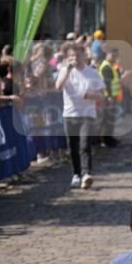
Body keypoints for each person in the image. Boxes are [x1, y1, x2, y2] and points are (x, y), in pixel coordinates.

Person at [55, 42, 104, 189]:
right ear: (67, 57)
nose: (74, 57)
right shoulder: (64, 70)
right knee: (72, 147)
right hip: (69, 114)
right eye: (71, 55)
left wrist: (90, 95)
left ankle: (86, 174)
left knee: (84, 145)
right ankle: (76, 174)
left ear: (83, 55)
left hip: (87, 115)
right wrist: (67, 71)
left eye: (77, 55)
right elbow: (58, 86)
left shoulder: (92, 73)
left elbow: (102, 96)